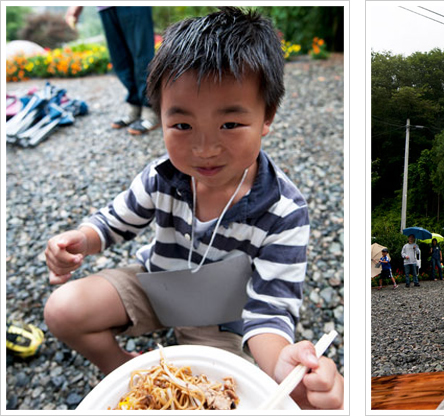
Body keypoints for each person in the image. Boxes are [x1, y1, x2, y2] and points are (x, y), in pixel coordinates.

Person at [43, 8, 342, 409]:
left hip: (217, 321)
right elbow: (112, 224)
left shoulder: (283, 210)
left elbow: (269, 313)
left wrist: (282, 366)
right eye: (182, 126)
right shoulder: (161, 177)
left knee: (227, 399)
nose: (204, 149)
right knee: (63, 308)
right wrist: (79, 240)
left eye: (230, 124)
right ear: (161, 118)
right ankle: (126, 373)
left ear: (267, 116)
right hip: (157, 284)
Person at [65, 6, 159, 135]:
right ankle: (135, 106)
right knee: (120, 60)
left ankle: (150, 109)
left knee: (142, 55)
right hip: (105, 7)